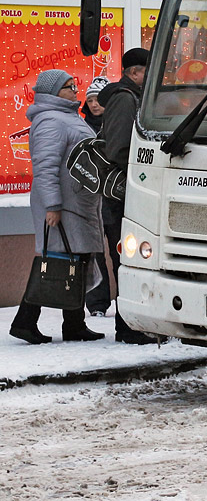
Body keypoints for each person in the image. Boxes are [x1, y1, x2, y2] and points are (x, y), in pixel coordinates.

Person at [9, 69, 105, 344]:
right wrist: (53, 205)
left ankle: (74, 324)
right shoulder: (51, 120)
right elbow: (45, 167)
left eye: (74, 85)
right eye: (68, 86)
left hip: (77, 203)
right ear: (53, 91)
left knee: (77, 261)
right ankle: (25, 322)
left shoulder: (68, 116)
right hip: (62, 206)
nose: (75, 90)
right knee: (56, 263)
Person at [96, 48, 156, 345]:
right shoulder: (124, 99)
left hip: (130, 192)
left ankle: (135, 324)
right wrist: (142, 172)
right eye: (148, 71)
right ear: (135, 73)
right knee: (126, 260)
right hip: (122, 195)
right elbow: (118, 148)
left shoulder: (135, 97)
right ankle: (127, 327)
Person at [82, 78, 112, 316]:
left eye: (98, 99)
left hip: (114, 197)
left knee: (121, 249)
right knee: (95, 252)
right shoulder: (81, 127)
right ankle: (97, 304)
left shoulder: (120, 123)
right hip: (90, 199)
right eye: (90, 100)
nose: (94, 104)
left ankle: (129, 301)